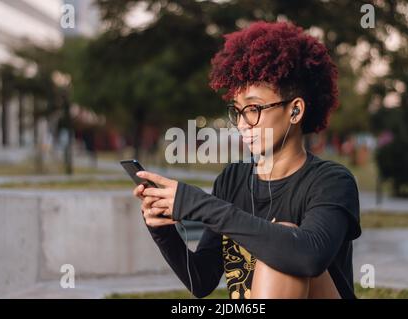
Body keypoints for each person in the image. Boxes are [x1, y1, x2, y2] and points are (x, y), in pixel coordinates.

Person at [133, 21, 361, 299]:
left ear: (295, 110)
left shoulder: (331, 181)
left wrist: (201, 206)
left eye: (253, 109)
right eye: (238, 111)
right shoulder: (232, 180)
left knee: (286, 242)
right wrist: (162, 230)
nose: (242, 124)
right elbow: (202, 280)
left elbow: (307, 256)